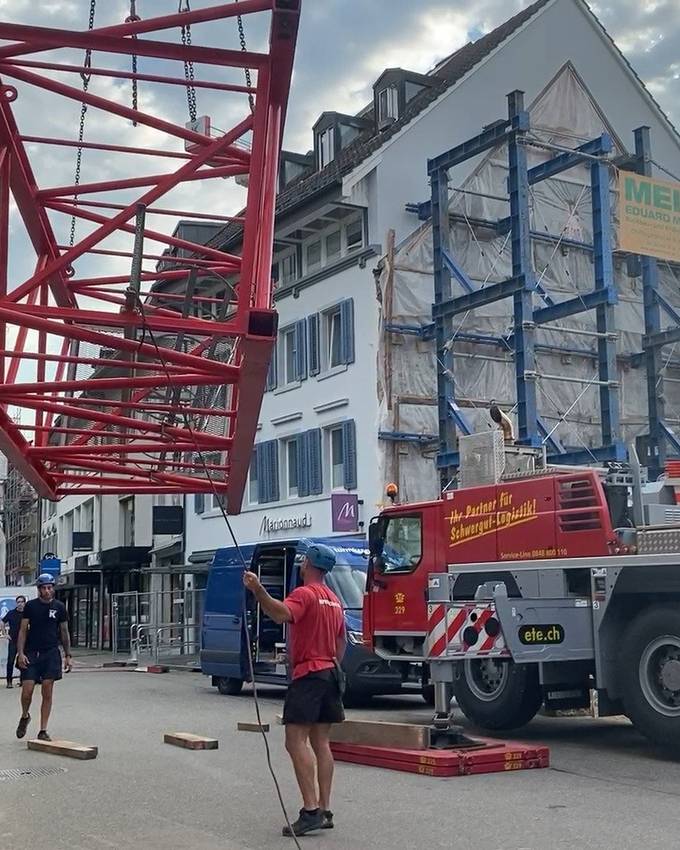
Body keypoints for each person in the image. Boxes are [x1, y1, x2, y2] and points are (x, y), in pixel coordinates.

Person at [243, 544, 346, 838]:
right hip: (329, 673)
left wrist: (258, 590)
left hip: (309, 675)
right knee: (321, 742)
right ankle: (325, 809)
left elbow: (281, 614)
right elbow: (341, 642)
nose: (300, 564)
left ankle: (310, 810)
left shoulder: (304, 594)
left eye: (303, 561)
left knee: (294, 740)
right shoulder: (334, 600)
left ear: (308, 565)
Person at [15, 574, 72, 742]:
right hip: (32, 652)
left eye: (50, 587)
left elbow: (64, 632)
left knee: (47, 690)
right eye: (44, 588)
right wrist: (21, 653)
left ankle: (43, 729)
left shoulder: (60, 607)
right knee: (27, 691)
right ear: (39, 590)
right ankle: (25, 716)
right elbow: (23, 631)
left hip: (51, 653)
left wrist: (68, 655)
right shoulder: (31, 607)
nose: (48, 591)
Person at [1, 595, 26, 688]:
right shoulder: (11, 613)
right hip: (14, 641)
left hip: (25, 641)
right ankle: (9, 682)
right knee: (10, 661)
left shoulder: (27, 613)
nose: (20, 604)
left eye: (21, 602)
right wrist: (5, 634)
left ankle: (23, 680)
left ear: (24, 603)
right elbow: (2, 622)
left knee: (24, 661)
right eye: (18, 602)